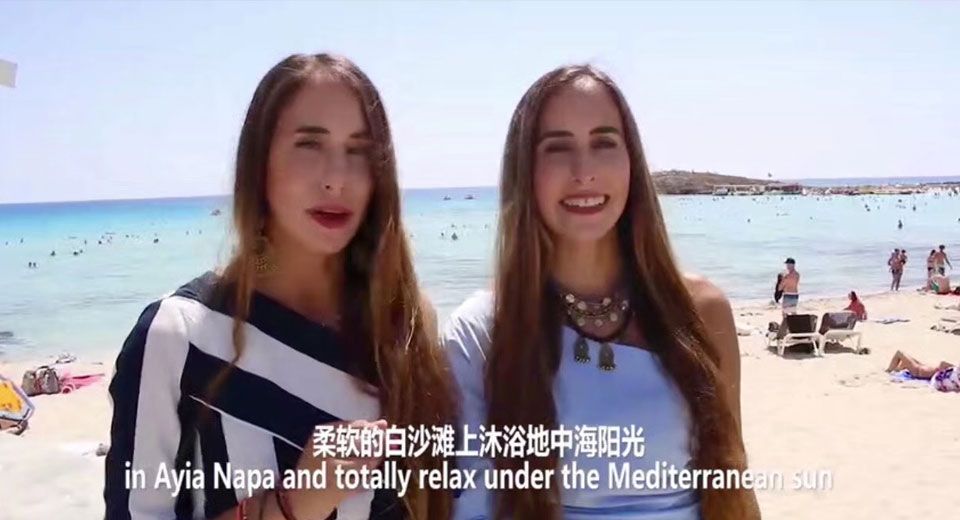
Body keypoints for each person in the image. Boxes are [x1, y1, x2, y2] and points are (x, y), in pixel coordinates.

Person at [104, 54, 456, 520]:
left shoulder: (406, 324)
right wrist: (292, 505)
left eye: (359, 151)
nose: (337, 178)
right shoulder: (180, 335)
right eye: (309, 144)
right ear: (259, 164)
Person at [443, 65, 759, 519]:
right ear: (524, 171)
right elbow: (474, 507)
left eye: (604, 143)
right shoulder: (481, 332)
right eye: (557, 148)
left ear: (631, 162)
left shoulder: (702, 311)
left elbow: (734, 489)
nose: (584, 171)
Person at [886, 351, 954, 379]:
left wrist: (954, 367)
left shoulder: (950, 370)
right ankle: (897, 369)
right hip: (921, 368)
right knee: (909, 359)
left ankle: (889, 370)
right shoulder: (951, 373)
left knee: (899, 353)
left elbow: (942, 363)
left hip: (917, 370)